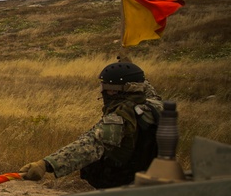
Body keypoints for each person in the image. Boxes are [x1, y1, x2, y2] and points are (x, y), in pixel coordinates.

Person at [19, 61, 162, 189]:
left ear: (114, 91)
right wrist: (129, 66)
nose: (103, 92)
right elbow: (145, 86)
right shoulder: (153, 104)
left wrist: (45, 165)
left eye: (106, 87)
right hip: (151, 175)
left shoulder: (119, 119)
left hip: (124, 183)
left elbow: (87, 146)